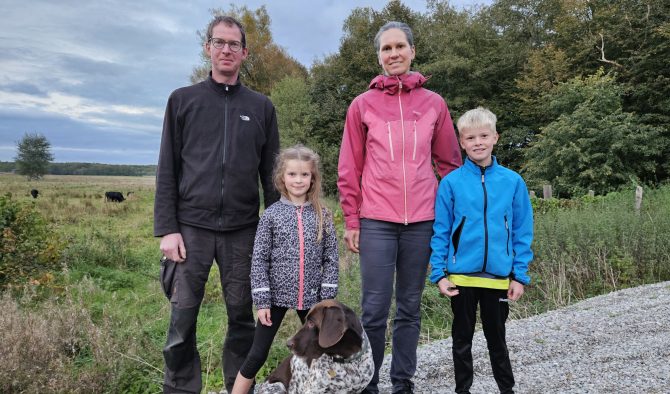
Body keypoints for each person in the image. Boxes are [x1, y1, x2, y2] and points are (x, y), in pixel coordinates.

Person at [154, 15, 279, 394]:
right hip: (190, 228)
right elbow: (167, 169)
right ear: (208, 48)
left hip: (244, 230)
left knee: (243, 317)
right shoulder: (182, 101)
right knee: (182, 320)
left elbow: (271, 175)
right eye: (219, 42)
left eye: (234, 44)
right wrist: (167, 228)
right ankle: (179, 388)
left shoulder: (261, 107)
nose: (226, 50)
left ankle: (237, 387)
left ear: (244, 53)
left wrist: (275, 232)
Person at [337, 21, 462, 394]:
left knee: (409, 307)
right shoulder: (362, 105)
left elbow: (450, 164)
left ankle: (402, 381)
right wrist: (351, 218)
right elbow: (350, 167)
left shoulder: (434, 104)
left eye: (399, 47)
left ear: (412, 51)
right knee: (374, 310)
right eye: (386, 49)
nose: (393, 54)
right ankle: (369, 382)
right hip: (376, 219)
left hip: (423, 220)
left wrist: (452, 218)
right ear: (379, 56)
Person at [429, 106, 534, 394]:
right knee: (461, 340)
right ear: (462, 142)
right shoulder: (450, 183)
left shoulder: (513, 181)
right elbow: (441, 231)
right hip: (461, 278)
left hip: (499, 278)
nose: (478, 142)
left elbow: (523, 231)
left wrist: (519, 276)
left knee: (497, 339)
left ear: (495, 137)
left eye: (484, 136)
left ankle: (507, 389)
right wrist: (439, 274)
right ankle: (462, 390)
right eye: (471, 138)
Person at [232, 145, 339, 394]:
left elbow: (331, 258)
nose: (298, 180)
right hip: (276, 297)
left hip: (313, 299)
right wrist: (262, 301)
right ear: (282, 177)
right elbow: (259, 260)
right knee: (257, 353)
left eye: (304, 174)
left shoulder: (323, 215)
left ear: (313, 178)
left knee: (324, 352)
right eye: (292, 174)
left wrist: (327, 300)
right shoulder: (271, 215)